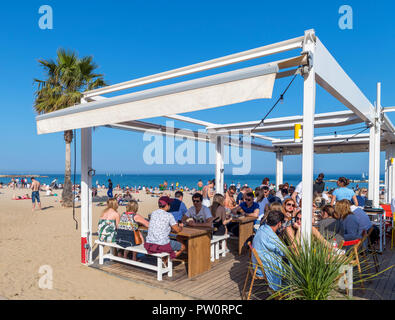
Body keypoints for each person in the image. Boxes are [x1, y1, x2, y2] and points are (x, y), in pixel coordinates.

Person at [252, 210, 286, 292]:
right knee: (290, 265)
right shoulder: (270, 235)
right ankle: (282, 291)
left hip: (256, 264)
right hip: (261, 269)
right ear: (279, 223)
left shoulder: (262, 228)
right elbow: (284, 252)